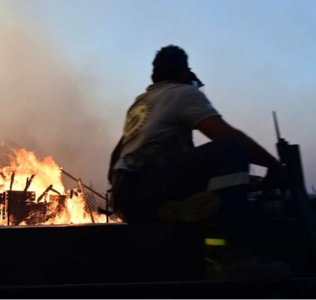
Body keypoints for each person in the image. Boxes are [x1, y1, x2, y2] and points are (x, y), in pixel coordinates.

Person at [106, 45, 290, 279]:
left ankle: (173, 211)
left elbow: (117, 156)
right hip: (147, 186)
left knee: (214, 177)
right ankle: (230, 261)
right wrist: (273, 166)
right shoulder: (184, 93)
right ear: (185, 73)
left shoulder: (141, 103)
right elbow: (227, 137)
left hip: (128, 198)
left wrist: (243, 180)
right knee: (232, 151)